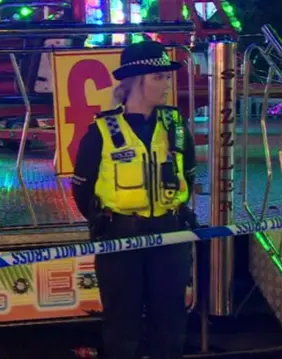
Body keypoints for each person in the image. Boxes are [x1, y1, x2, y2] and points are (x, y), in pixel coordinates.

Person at [71, 40, 198, 359]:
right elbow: (82, 190)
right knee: (121, 327)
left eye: (167, 78)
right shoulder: (101, 131)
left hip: (170, 235)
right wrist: (110, 221)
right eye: (159, 78)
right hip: (120, 239)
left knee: (170, 327)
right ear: (136, 82)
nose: (167, 85)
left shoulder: (176, 127)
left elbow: (189, 176)